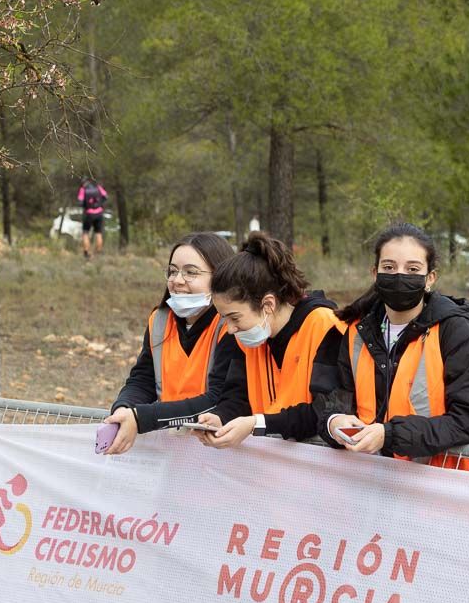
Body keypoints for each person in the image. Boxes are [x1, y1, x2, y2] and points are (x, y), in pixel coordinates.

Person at [317, 222, 469, 466]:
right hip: (371, 478)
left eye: (412, 268)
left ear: (430, 278)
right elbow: (332, 400)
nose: (399, 276)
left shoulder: (454, 330)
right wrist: (333, 422)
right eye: (389, 267)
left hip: (443, 484)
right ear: (375, 273)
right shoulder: (356, 331)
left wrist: (390, 435)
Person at [193, 232, 343, 447]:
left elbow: (326, 411)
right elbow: (238, 396)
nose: (230, 329)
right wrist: (220, 418)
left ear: (268, 304)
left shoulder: (324, 326)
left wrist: (258, 423)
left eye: (234, 317)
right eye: (224, 318)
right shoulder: (249, 337)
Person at [102, 232, 239, 455]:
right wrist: (124, 409)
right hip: (169, 446)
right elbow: (142, 379)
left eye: (191, 272)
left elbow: (219, 398)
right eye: (173, 271)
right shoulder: (159, 320)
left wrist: (142, 418)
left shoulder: (232, 325)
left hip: (217, 451)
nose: (177, 280)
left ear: (220, 276)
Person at [78, 177, 108, 258]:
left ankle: (86, 252)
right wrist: (100, 204)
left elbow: (80, 202)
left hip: (89, 214)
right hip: (99, 213)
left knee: (85, 232)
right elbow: (105, 196)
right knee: (98, 233)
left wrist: (86, 205)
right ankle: (98, 252)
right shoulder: (98, 187)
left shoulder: (83, 190)